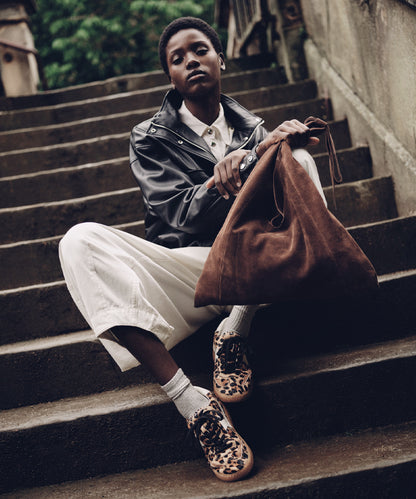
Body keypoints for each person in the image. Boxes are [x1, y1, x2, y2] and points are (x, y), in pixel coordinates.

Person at [59, 17, 327, 482]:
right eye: (177, 58)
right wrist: (238, 171)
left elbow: (285, 213)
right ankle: (195, 405)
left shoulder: (256, 131)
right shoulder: (149, 137)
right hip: (193, 271)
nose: (191, 62)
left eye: (200, 50)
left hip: (261, 275)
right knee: (78, 240)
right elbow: (179, 213)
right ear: (170, 75)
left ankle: (235, 330)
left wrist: (261, 155)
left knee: (299, 158)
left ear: (221, 58)